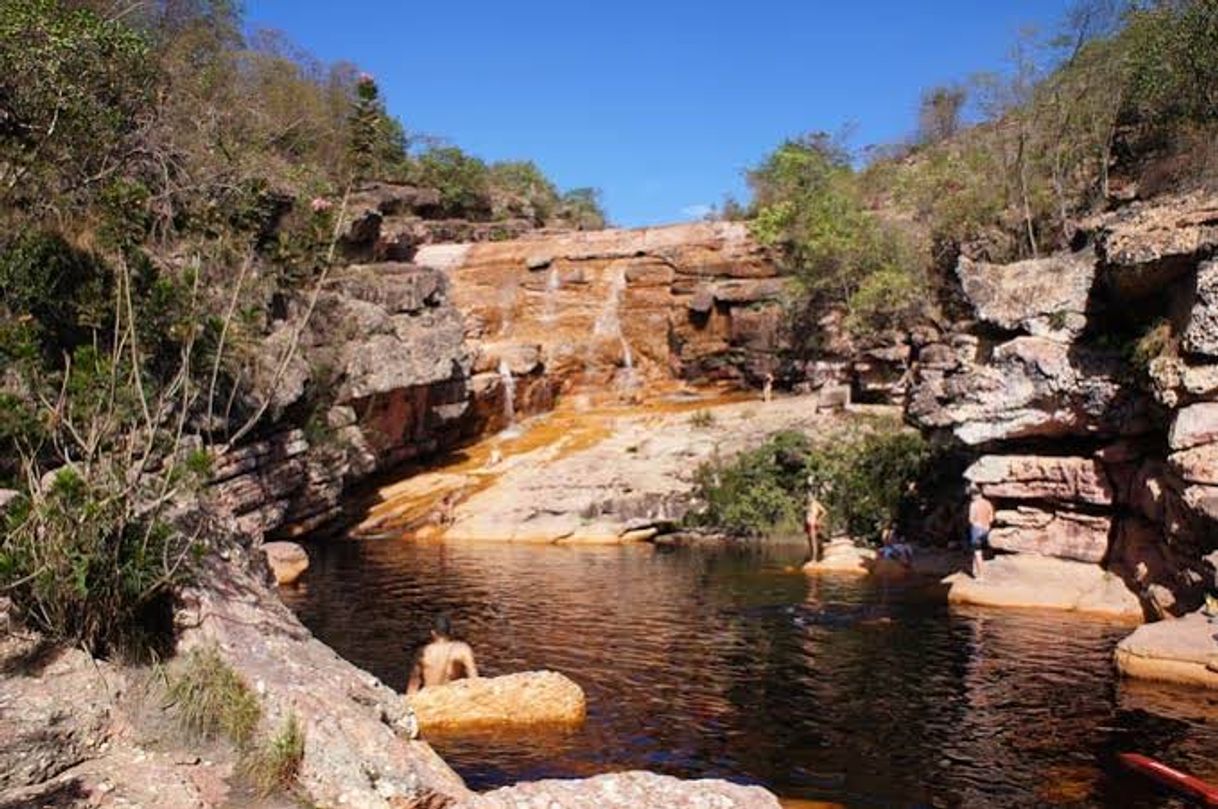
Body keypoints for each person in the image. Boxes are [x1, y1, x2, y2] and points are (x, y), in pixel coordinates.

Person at [406, 614, 479, 695]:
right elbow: (474, 680)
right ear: (451, 632)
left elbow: (413, 686)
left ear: (433, 633)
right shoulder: (461, 649)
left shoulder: (423, 652)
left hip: (429, 700)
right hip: (450, 699)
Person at [967, 485, 995, 578]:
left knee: (977, 553)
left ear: (974, 495)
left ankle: (981, 576)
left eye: (972, 495)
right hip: (986, 529)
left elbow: (971, 519)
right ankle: (974, 570)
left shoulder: (973, 504)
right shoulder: (988, 503)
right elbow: (991, 519)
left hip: (977, 529)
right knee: (977, 551)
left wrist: (976, 523)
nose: (971, 497)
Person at [804, 484, 828, 564]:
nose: (809, 497)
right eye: (808, 496)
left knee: (813, 542)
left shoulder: (815, 503)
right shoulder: (808, 504)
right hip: (808, 524)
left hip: (813, 524)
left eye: (810, 496)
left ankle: (814, 559)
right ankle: (812, 557)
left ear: (813, 496)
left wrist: (819, 520)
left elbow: (825, 512)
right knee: (810, 541)